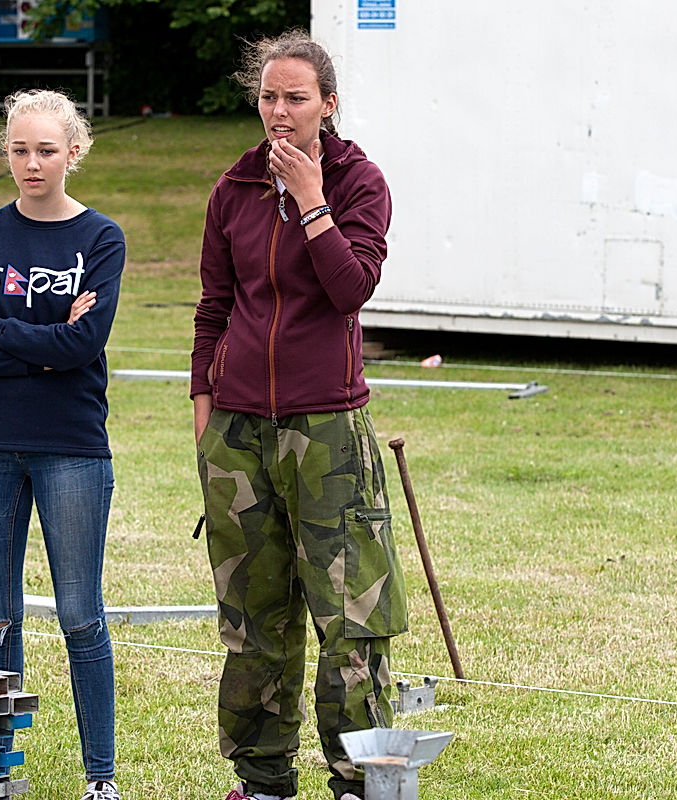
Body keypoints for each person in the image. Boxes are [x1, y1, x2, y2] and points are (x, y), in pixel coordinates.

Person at [191, 29, 407, 800]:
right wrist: (204, 413)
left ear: (328, 104)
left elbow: (351, 291)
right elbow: (213, 309)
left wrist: (313, 202)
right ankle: (261, 780)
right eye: (269, 98)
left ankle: (355, 781)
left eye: (296, 99)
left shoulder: (359, 181)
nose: (279, 113)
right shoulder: (233, 188)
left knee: (352, 621)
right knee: (254, 622)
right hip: (238, 433)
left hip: (327, 432)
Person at [0, 89, 125, 800]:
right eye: (20, 149)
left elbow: (84, 345)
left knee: (81, 617)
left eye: (46, 149)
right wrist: (44, 346)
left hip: (71, 446)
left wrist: (1, 330)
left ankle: (99, 779)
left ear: (73, 151)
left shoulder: (101, 238)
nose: (32, 162)